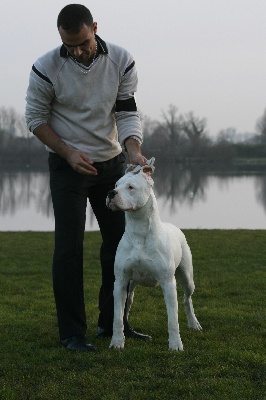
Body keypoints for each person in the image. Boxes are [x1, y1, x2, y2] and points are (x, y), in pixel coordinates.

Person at [25, 4, 151, 352]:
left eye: (82, 42)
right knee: (69, 248)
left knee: (120, 246)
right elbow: (35, 119)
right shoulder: (46, 67)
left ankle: (112, 324)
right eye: (69, 45)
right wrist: (67, 153)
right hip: (67, 166)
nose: (77, 51)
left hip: (110, 163)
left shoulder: (121, 60)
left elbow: (126, 112)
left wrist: (133, 149)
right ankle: (72, 334)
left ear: (94, 28)